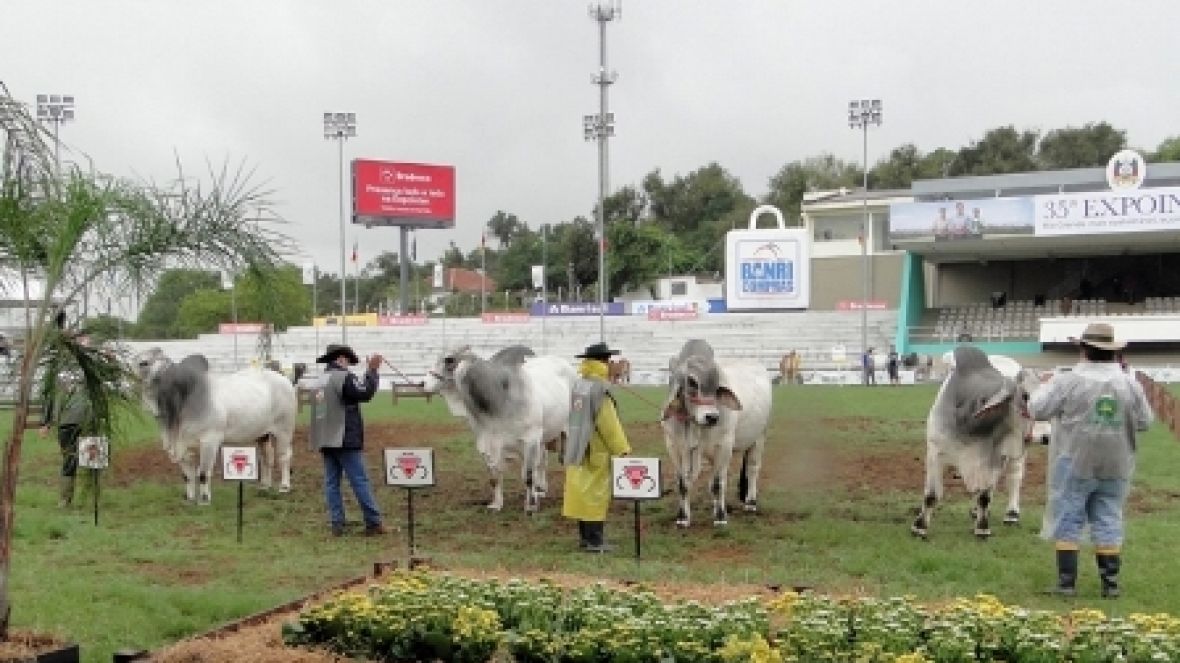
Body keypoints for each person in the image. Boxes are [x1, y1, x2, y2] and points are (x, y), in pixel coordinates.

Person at [1029, 322, 1153, 598]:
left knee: (1068, 516)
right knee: (1108, 517)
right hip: (1117, 462)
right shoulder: (1130, 384)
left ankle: (1066, 584)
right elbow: (1145, 421)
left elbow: (1037, 409)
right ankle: (1110, 585)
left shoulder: (1067, 380)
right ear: (1113, 352)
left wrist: (1045, 385)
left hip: (1074, 459)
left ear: (1083, 348)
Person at [310, 344, 387, 537]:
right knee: (359, 480)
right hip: (344, 437)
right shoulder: (344, 378)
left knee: (331, 483)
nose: (348, 365)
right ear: (341, 359)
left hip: (325, 438)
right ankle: (373, 522)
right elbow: (365, 393)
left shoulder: (319, 380)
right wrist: (372, 371)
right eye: (347, 360)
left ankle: (337, 523)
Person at [562, 342, 631, 553]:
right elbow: (607, 422)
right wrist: (622, 448)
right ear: (603, 361)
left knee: (581, 494)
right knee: (595, 495)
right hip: (596, 449)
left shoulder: (581, 384)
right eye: (608, 360)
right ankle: (595, 541)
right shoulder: (600, 389)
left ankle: (585, 538)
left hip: (577, 445)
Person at [39, 371, 93, 508]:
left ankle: (93, 496)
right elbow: (50, 398)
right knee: (70, 460)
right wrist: (45, 423)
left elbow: (105, 377)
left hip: (88, 422)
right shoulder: (59, 371)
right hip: (66, 425)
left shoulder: (86, 367)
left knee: (93, 459)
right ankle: (65, 499)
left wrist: (109, 358)